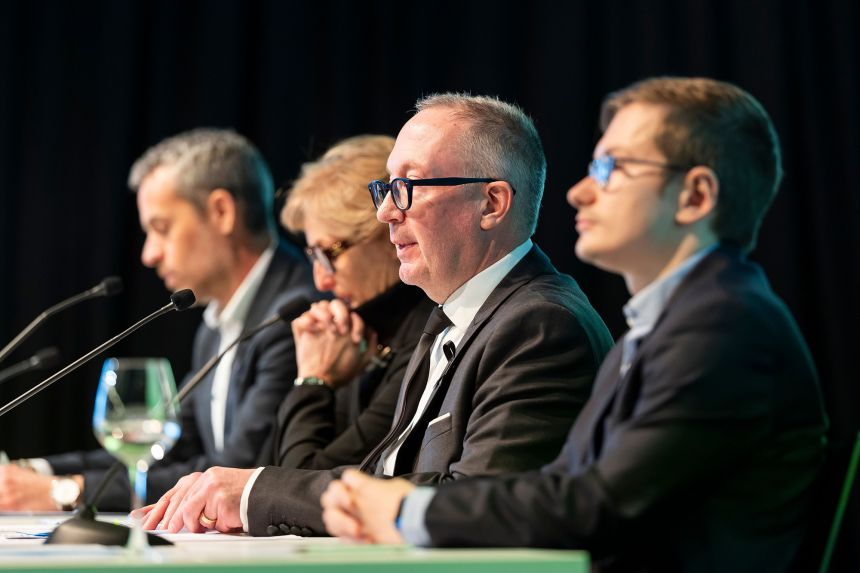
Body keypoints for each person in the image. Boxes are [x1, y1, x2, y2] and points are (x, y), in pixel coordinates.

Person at [321, 78, 828, 573]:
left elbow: (592, 507)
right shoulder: (674, 323)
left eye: (612, 168)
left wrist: (407, 511)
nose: (580, 192)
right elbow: (563, 484)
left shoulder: (724, 327)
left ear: (695, 196)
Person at [137, 94, 613, 537]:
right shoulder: (453, 316)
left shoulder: (540, 324)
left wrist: (255, 492)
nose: (386, 211)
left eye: (408, 186)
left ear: (491, 204)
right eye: (386, 187)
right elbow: (383, 477)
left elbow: (472, 507)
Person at [0, 128, 316, 512]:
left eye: (161, 229)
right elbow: (161, 448)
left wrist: (62, 491)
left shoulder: (294, 313)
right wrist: (33, 471)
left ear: (221, 212)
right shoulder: (216, 323)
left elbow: (237, 471)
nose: (148, 255)